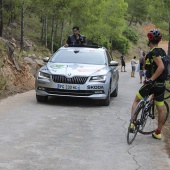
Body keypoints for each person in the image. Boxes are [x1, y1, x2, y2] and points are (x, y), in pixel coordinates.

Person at [130, 29, 165, 140]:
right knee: (160, 108)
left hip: (152, 84)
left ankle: (132, 123)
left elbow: (161, 67)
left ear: (149, 40)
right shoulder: (163, 52)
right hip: (161, 85)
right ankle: (158, 132)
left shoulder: (153, 52)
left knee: (136, 100)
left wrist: (151, 79)